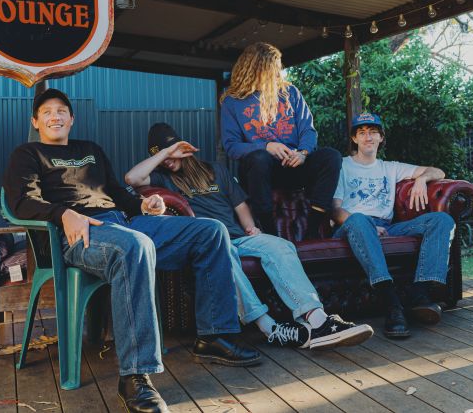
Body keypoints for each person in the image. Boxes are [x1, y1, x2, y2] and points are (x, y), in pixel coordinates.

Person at [4, 89, 259, 413]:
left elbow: (117, 192)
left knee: (211, 231)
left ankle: (214, 335)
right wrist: (64, 214)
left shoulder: (91, 151)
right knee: (134, 248)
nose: (55, 116)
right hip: (80, 232)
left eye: (61, 111)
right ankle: (135, 377)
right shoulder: (27, 155)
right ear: (36, 120)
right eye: (47, 112)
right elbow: (21, 202)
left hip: (124, 221)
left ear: (72, 118)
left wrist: (143, 204)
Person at [125, 122, 373, 350]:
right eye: (163, 154)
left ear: (185, 149)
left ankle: (318, 321)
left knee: (280, 246)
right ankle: (270, 328)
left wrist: (251, 227)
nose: (169, 160)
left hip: (239, 237)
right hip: (210, 244)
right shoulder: (161, 177)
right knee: (225, 255)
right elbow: (131, 178)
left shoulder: (215, 170)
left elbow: (240, 205)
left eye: (173, 151)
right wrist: (165, 154)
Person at [331, 113, 455, 339]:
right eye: (362, 133)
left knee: (441, 220)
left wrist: (421, 180)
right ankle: (391, 303)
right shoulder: (342, 165)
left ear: (381, 138)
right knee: (359, 219)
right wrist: (366, 224)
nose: (368, 137)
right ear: (355, 139)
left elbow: (438, 171)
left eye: (373, 132)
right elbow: (336, 210)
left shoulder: (391, 168)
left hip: (387, 227)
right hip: (352, 228)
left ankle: (420, 294)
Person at [219, 42, 341, 238]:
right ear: (256, 68)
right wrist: (266, 146)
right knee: (260, 158)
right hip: (258, 172)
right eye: (273, 67)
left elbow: (308, 131)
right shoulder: (232, 101)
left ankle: (312, 230)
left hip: (293, 165)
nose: (278, 72)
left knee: (331, 157)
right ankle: (268, 232)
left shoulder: (290, 93)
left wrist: (302, 153)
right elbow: (231, 147)